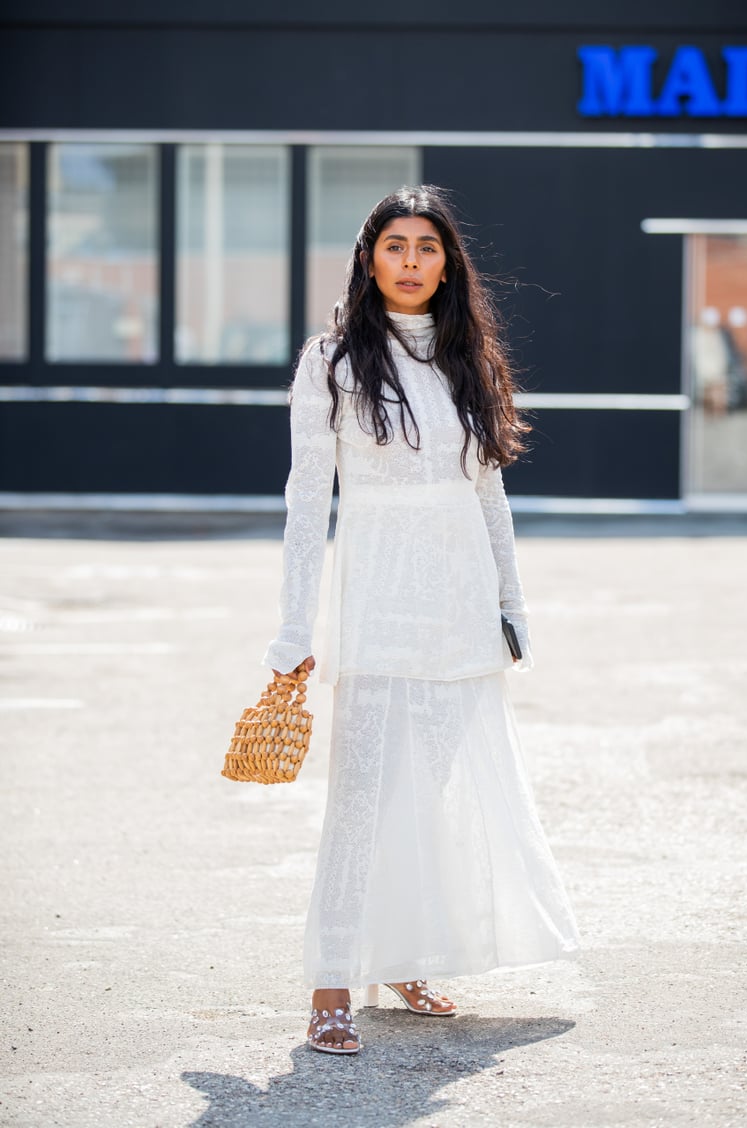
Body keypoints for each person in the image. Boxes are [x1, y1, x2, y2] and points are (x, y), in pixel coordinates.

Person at [265, 185, 579, 1056]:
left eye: (426, 248)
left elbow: (489, 493)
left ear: (448, 264)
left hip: (461, 603)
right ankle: (331, 982)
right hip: (375, 600)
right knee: (361, 798)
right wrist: (295, 631)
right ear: (371, 259)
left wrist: (511, 606)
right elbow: (304, 502)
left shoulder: (466, 360)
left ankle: (402, 956)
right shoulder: (330, 361)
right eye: (395, 246)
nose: (410, 262)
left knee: (427, 792)